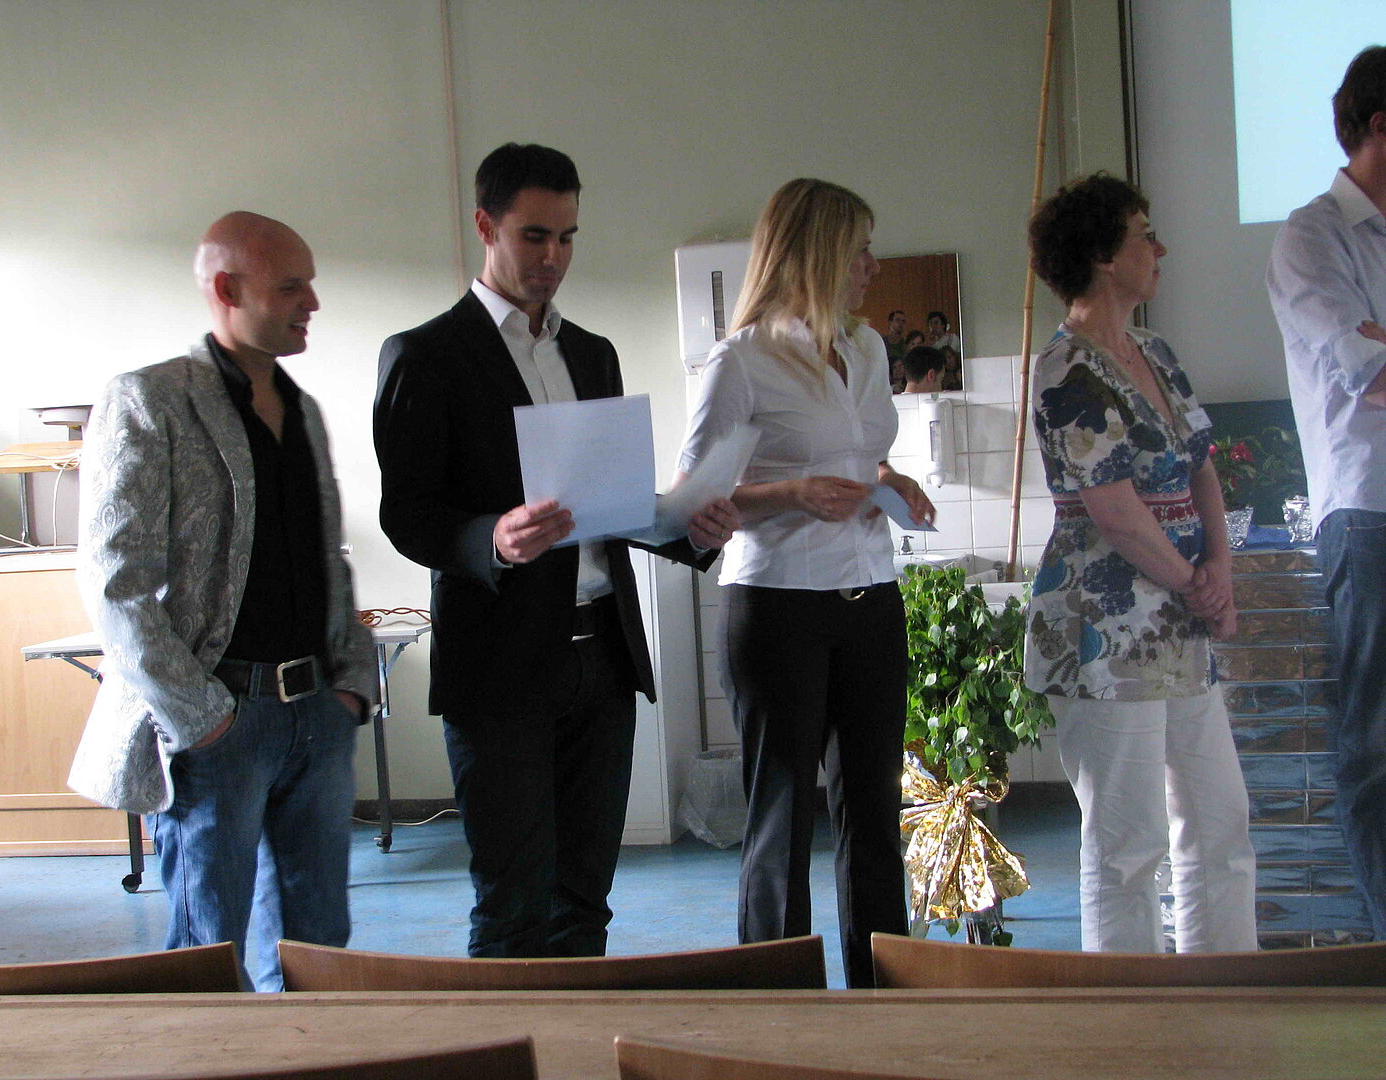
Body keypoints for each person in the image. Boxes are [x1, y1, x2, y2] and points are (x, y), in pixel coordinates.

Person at [374, 143, 737, 958]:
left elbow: (604, 505)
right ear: (485, 226)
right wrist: (492, 539)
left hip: (603, 656)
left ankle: (577, 1029)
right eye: (534, 236)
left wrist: (687, 527)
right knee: (513, 903)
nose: (554, 257)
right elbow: (407, 515)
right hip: (499, 664)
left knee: (585, 898)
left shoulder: (592, 353)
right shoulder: (425, 356)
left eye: (568, 237)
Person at [69, 211, 377, 990]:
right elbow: (115, 582)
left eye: (311, 284)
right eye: (292, 286)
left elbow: (329, 559)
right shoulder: (150, 401)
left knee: (322, 949)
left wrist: (349, 687)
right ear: (228, 289)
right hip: (219, 725)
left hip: (319, 714)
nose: (312, 302)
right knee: (210, 954)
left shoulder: (303, 411)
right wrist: (202, 720)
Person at [675, 177, 936, 987]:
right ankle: (777, 1004)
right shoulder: (741, 360)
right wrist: (788, 492)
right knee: (783, 820)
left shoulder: (867, 349)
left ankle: (883, 996)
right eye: (859, 250)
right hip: (778, 605)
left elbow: (860, 456)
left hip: (870, 594)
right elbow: (692, 499)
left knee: (875, 814)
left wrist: (891, 478)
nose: (872, 266)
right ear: (816, 255)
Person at [1024, 173, 1256, 954]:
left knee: (1218, 822)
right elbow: (1115, 511)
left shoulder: (1154, 350)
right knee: (1129, 842)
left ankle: (1223, 995)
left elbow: (1201, 466)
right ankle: (1130, 1011)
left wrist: (1220, 568)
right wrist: (1196, 584)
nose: (1160, 249)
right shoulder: (1066, 368)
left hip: (1181, 619)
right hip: (1107, 627)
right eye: (1143, 236)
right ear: (1101, 256)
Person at [1267, 44, 1386, 939]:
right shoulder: (1313, 235)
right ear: (1379, 126)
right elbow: (1370, 372)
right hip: (1369, 512)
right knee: (1378, 742)